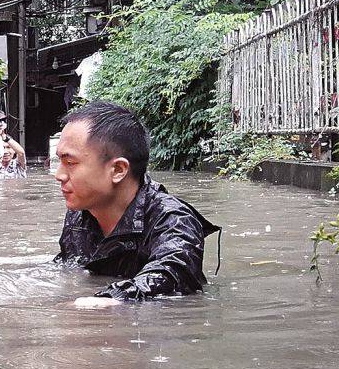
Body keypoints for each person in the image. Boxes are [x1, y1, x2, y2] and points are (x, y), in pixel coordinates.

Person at [52, 100, 217, 306]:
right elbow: (68, 267)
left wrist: (98, 303)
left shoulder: (173, 220)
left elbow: (171, 274)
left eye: (70, 163)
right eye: (59, 161)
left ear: (118, 170)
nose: (58, 175)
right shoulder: (80, 214)